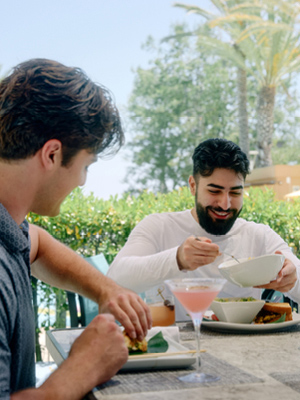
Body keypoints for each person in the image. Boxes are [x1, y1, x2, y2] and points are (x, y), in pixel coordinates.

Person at [0, 58, 152, 399]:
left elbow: (35, 244)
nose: (82, 182)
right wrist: (83, 367)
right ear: (52, 154)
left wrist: (106, 290)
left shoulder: (10, 227)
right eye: (86, 165)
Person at [108, 138, 300, 320]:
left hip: (246, 346)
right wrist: (177, 259)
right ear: (193, 186)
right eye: (214, 191)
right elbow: (115, 279)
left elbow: (292, 269)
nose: (225, 204)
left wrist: (292, 278)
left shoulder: (259, 235)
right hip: (180, 345)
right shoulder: (159, 227)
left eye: (235, 192)